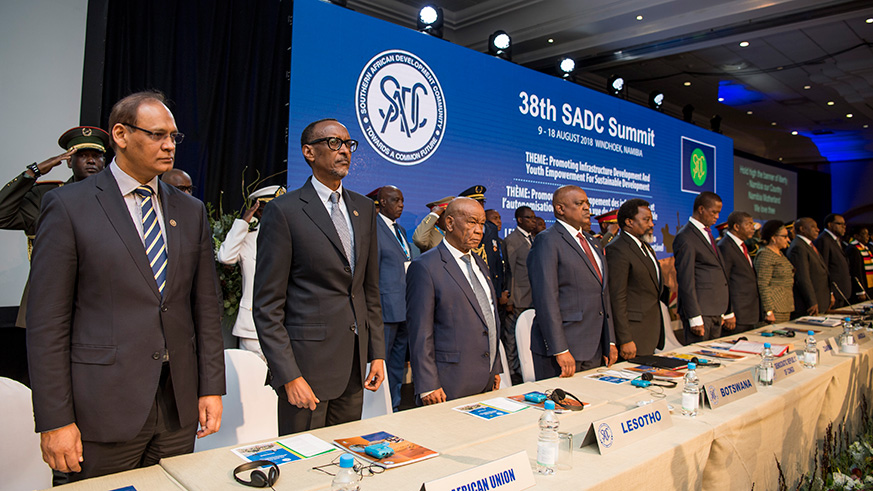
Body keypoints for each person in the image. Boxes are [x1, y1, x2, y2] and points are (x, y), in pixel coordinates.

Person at [26, 91, 225, 480]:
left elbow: (205, 306)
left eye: (173, 136)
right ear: (120, 134)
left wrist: (211, 388)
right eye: (157, 135)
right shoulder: (69, 205)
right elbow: (47, 322)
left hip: (177, 407)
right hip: (102, 408)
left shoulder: (190, 210)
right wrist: (55, 420)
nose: (169, 145)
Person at [253, 118, 384, 435]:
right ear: (308, 152)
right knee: (305, 458)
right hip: (306, 371)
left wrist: (377, 354)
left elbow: (368, 290)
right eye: (334, 143)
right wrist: (288, 374)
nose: (345, 151)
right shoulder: (284, 211)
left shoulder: (364, 209)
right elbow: (267, 306)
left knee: (344, 453)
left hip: (354, 368)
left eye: (349, 144)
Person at [0, 126, 110, 327]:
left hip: (101, 302)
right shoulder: (46, 196)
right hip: (51, 300)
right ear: (69, 161)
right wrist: (32, 173)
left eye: (97, 155)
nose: (91, 161)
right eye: (82, 155)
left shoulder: (118, 199)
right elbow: (2, 215)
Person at [406, 197, 502, 404]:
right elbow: (420, 332)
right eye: (472, 222)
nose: (479, 230)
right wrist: (428, 384)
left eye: (482, 224)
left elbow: (489, 317)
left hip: (485, 379)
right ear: (449, 223)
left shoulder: (480, 264)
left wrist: (494, 367)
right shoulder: (425, 267)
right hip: (448, 383)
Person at [527, 185, 617, 380]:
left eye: (587, 203)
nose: (586, 208)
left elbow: (603, 294)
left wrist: (609, 341)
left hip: (595, 346)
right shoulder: (547, 240)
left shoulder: (593, 242)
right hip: (564, 349)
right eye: (579, 203)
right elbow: (546, 299)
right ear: (560, 209)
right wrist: (560, 349)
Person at [216, 185, 286, 360]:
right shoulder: (247, 238)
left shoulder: (293, 238)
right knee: (251, 375)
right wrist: (243, 223)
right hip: (252, 326)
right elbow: (225, 257)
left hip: (285, 325)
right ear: (259, 212)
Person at [605, 198, 668, 359]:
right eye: (646, 220)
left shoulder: (645, 247)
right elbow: (617, 297)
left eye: (651, 220)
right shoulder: (618, 249)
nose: (651, 224)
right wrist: (625, 339)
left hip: (649, 332)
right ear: (629, 222)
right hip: (633, 335)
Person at [673, 191, 733, 343]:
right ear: (701, 209)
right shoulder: (686, 236)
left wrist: (725, 311)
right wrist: (694, 317)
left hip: (715, 310)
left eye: (718, 213)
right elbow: (686, 279)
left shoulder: (707, 233)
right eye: (714, 212)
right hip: (700, 313)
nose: (717, 216)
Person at [374, 185, 411, 412]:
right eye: (396, 200)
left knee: (397, 363)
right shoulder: (373, 228)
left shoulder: (401, 230)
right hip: (385, 310)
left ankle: (394, 405)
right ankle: (380, 408)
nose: (401, 205)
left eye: (402, 200)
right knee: (382, 363)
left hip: (404, 308)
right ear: (383, 202)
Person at [503, 205, 537, 384]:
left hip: (532, 296)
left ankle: (523, 367)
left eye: (533, 218)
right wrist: (510, 299)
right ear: (519, 220)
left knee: (526, 336)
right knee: (511, 336)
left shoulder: (533, 239)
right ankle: (511, 369)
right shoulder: (512, 240)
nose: (533, 221)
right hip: (518, 297)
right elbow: (510, 271)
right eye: (529, 218)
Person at [717, 211, 763, 332]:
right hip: (736, 315)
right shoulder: (725, 246)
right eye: (748, 224)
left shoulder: (741, 245)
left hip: (747, 313)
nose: (753, 228)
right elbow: (724, 281)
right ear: (736, 227)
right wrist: (728, 313)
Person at [787, 217, 833, 317]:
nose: (818, 229)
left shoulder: (808, 245)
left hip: (820, 299)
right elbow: (803, 278)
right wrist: (812, 302)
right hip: (808, 305)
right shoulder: (798, 247)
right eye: (813, 227)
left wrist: (830, 294)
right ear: (802, 229)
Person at [755, 221, 794, 324]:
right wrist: (769, 311)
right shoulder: (765, 255)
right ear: (773, 238)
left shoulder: (780, 253)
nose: (788, 240)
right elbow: (763, 284)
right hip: (774, 309)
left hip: (785, 306)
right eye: (784, 237)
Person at [815, 214, 853, 307]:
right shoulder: (824, 240)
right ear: (830, 225)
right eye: (840, 224)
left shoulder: (836, 240)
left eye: (844, 224)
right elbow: (823, 268)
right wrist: (830, 292)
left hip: (841, 292)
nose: (844, 227)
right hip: (834, 293)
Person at [845, 226, 871, 301]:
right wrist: (860, 291)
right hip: (862, 287)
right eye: (864, 234)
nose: (867, 236)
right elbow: (856, 271)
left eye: (868, 234)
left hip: (868, 285)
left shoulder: (865, 248)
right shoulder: (853, 249)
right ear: (856, 236)